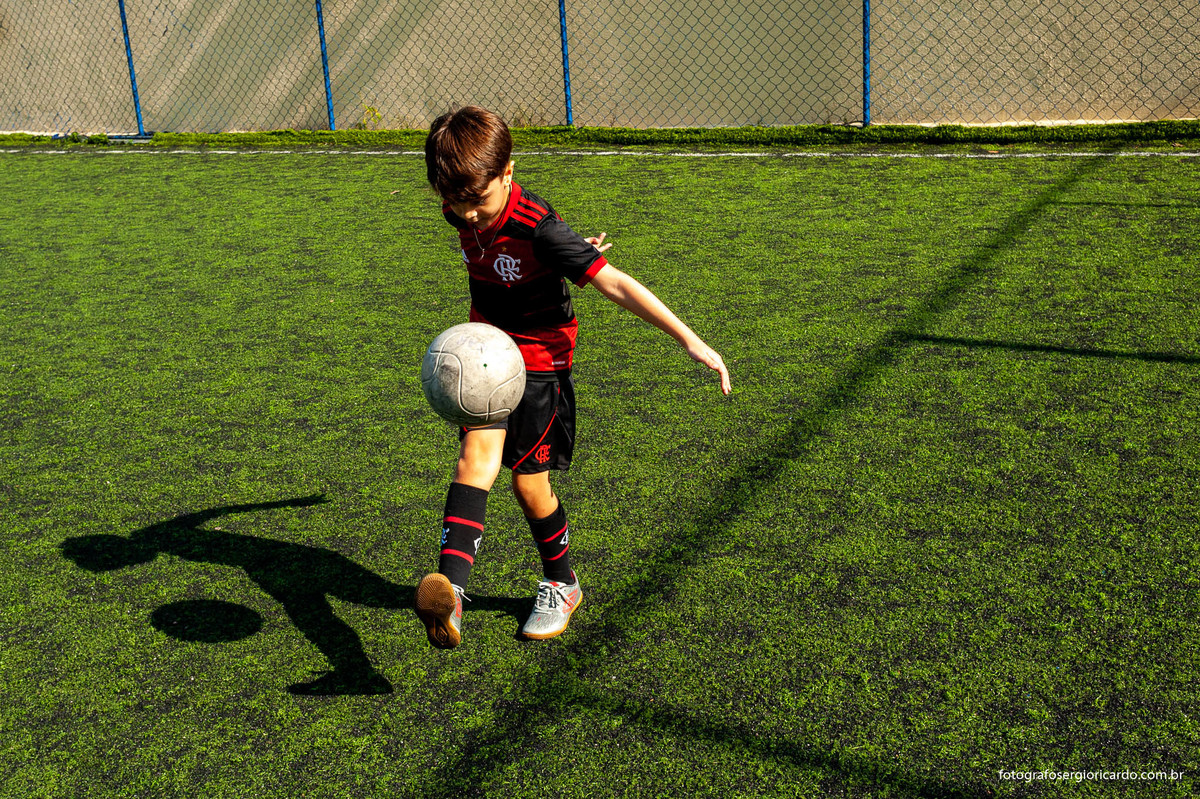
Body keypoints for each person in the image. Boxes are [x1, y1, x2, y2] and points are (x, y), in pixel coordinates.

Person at [415, 106, 731, 649]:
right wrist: (566, 251)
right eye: (455, 202)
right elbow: (479, 220)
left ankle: (563, 583)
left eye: (478, 201)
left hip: (540, 362)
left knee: (528, 485)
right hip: (486, 356)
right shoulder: (462, 206)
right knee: (475, 462)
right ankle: (450, 592)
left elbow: (616, 284)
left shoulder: (539, 229)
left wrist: (690, 339)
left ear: (508, 172)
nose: (467, 215)